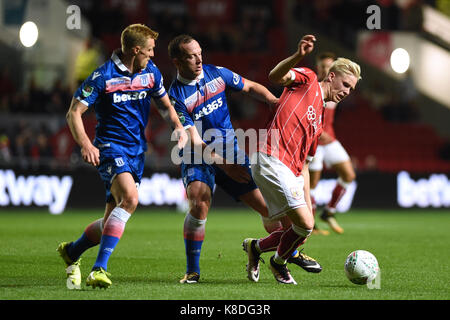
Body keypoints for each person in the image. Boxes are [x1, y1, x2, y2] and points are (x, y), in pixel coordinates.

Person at [167, 34, 322, 284]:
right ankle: (192, 270)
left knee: (271, 211)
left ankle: (288, 252)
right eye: (191, 56)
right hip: (198, 156)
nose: (198, 59)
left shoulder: (216, 73)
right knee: (199, 201)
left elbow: (249, 86)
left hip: (231, 151)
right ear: (177, 61)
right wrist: (224, 164)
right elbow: (194, 140)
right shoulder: (174, 96)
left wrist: (272, 100)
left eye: (199, 53)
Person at [57, 24, 188, 290]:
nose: (153, 56)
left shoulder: (150, 73)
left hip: (137, 151)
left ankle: (72, 251)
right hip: (109, 147)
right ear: (136, 50)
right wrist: (86, 145)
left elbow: (164, 105)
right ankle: (98, 269)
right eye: (150, 51)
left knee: (111, 220)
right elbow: (74, 112)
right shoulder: (102, 76)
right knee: (130, 199)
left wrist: (178, 126)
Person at [243, 35, 361, 284]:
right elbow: (275, 77)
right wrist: (298, 55)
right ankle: (278, 263)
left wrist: (308, 201)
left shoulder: (318, 121)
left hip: (291, 170)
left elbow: (305, 166)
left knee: (299, 232)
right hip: (271, 158)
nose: (347, 92)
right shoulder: (307, 79)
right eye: (346, 84)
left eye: (351, 89)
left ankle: (255, 248)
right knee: (304, 225)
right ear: (331, 76)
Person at [309, 52, 357, 235]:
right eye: (322, 66)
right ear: (318, 67)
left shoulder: (336, 86)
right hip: (315, 141)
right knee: (312, 184)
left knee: (349, 174)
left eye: (329, 66)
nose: (325, 69)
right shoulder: (314, 87)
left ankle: (329, 211)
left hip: (329, 140)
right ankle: (311, 224)